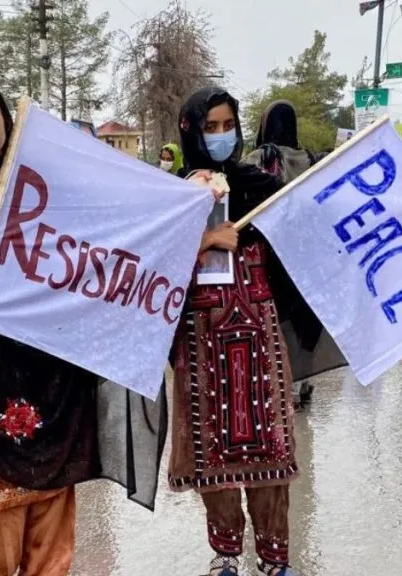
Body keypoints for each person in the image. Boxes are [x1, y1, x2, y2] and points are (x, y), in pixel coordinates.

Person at [0, 73, 166, 576]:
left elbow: (112, 243)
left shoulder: (48, 191)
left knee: (52, 558)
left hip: (54, 387)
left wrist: (192, 208)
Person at [171, 87, 323, 576]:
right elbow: (152, 262)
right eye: (209, 127)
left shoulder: (260, 186)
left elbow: (303, 239)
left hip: (260, 336)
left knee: (269, 443)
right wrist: (205, 237)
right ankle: (226, 555)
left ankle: (275, 558)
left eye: (227, 126)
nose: (220, 136)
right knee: (210, 448)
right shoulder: (171, 195)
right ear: (190, 131)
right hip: (199, 340)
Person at [243, 100, 320, 411]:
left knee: (278, 317)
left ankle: (282, 384)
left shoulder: (261, 157)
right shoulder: (311, 159)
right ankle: (305, 381)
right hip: (307, 253)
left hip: (272, 252)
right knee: (306, 318)